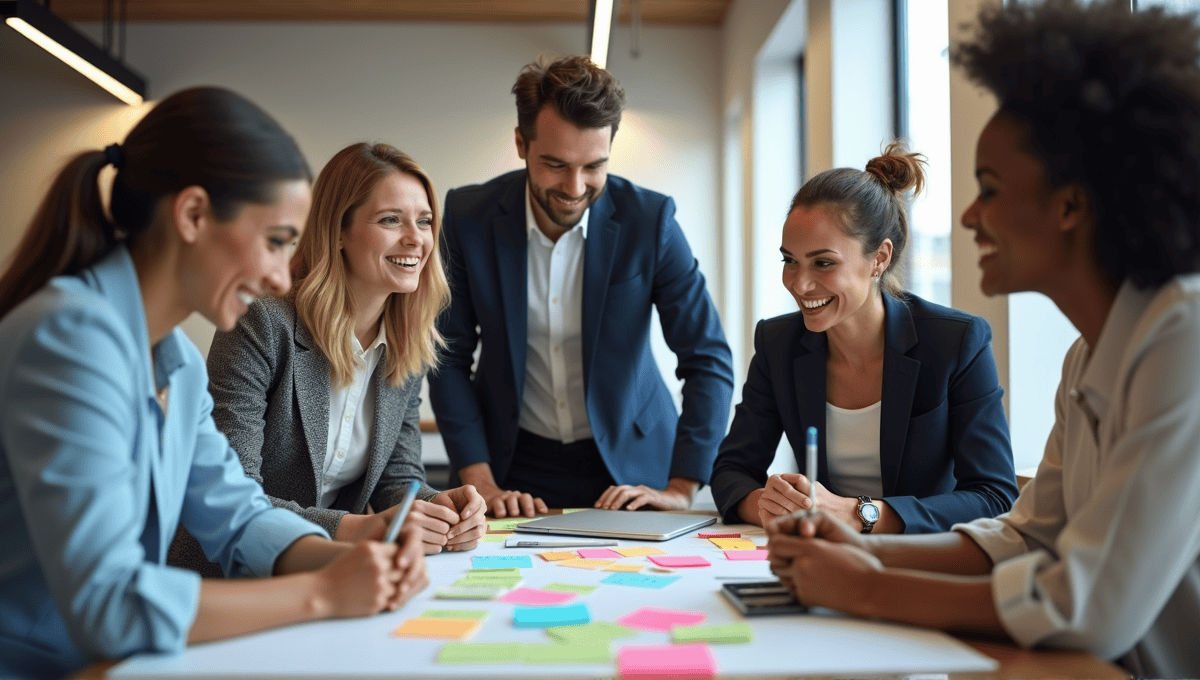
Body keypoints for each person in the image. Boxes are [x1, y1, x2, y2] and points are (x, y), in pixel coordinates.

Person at [766, 1, 1200, 676]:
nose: (970, 215)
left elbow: (1088, 603)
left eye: (991, 189)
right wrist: (860, 547)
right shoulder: (1089, 352)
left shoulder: (1183, 339)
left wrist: (865, 585)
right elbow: (1029, 535)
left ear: (1071, 205)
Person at [0, 88, 428, 680]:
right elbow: (108, 603)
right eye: (277, 241)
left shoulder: (172, 355)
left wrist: (353, 558)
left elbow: (236, 513)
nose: (283, 275)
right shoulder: (69, 337)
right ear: (193, 215)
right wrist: (324, 592)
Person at [428, 55, 735, 517]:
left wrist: (682, 486)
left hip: (633, 467)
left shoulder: (650, 221)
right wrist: (480, 480)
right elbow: (447, 354)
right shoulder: (469, 216)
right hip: (509, 466)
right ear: (520, 143)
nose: (575, 187)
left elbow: (707, 357)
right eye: (555, 164)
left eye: (594, 166)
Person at [169, 143, 486, 576]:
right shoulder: (261, 323)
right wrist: (358, 528)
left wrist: (439, 508)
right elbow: (235, 494)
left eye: (425, 221)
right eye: (390, 220)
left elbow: (398, 480)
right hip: (227, 575)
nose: (416, 238)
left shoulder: (405, 343)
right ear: (338, 231)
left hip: (329, 572)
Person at [711, 144, 1018, 533]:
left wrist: (862, 514)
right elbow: (731, 470)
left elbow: (994, 495)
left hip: (924, 559)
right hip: (826, 555)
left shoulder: (956, 343)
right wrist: (765, 505)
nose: (800, 284)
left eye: (823, 263)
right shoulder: (777, 343)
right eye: (790, 260)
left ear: (879, 258)